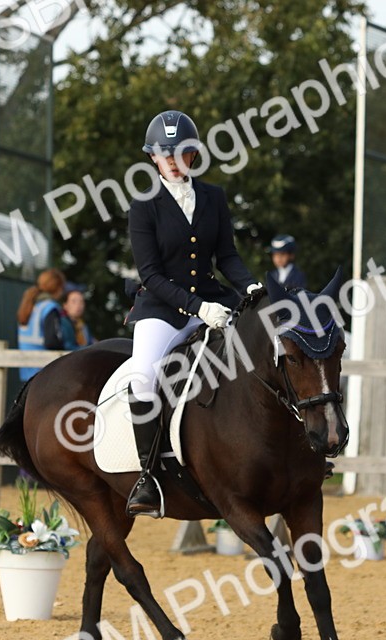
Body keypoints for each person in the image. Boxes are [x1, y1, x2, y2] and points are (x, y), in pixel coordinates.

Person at [125, 109, 262, 517]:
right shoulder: (143, 205)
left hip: (213, 301)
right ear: (153, 156)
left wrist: (251, 287)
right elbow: (149, 273)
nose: (172, 159)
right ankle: (147, 477)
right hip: (163, 309)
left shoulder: (214, 197)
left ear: (193, 154)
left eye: (180, 151)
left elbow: (228, 257)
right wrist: (197, 307)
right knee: (144, 377)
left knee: (261, 357)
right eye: (164, 152)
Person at [17, 268, 67, 381]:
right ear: (57, 288)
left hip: (26, 371)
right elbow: (52, 342)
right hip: (43, 372)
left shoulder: (30, 306)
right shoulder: (49, 307)